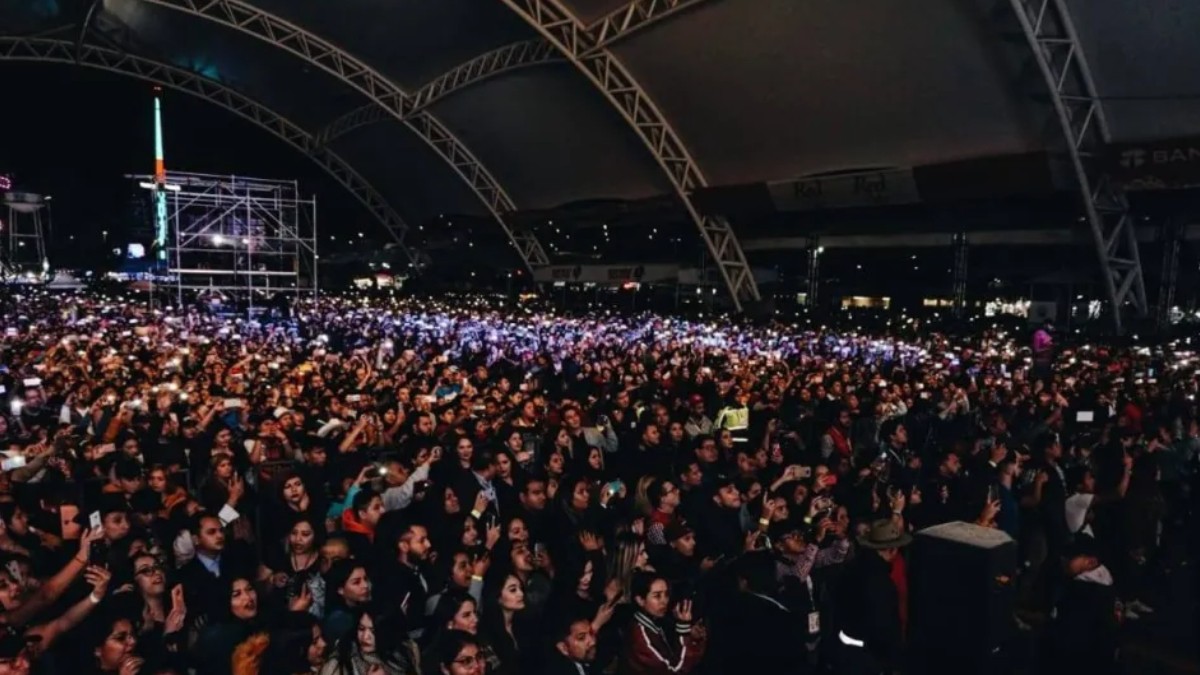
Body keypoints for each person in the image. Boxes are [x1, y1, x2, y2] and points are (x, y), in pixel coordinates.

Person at [834, 519, 911, 675]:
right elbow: (884, 628)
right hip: (868, 659)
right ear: (892, 550)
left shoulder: (850, 567)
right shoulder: (881, 582)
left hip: (844, 651)